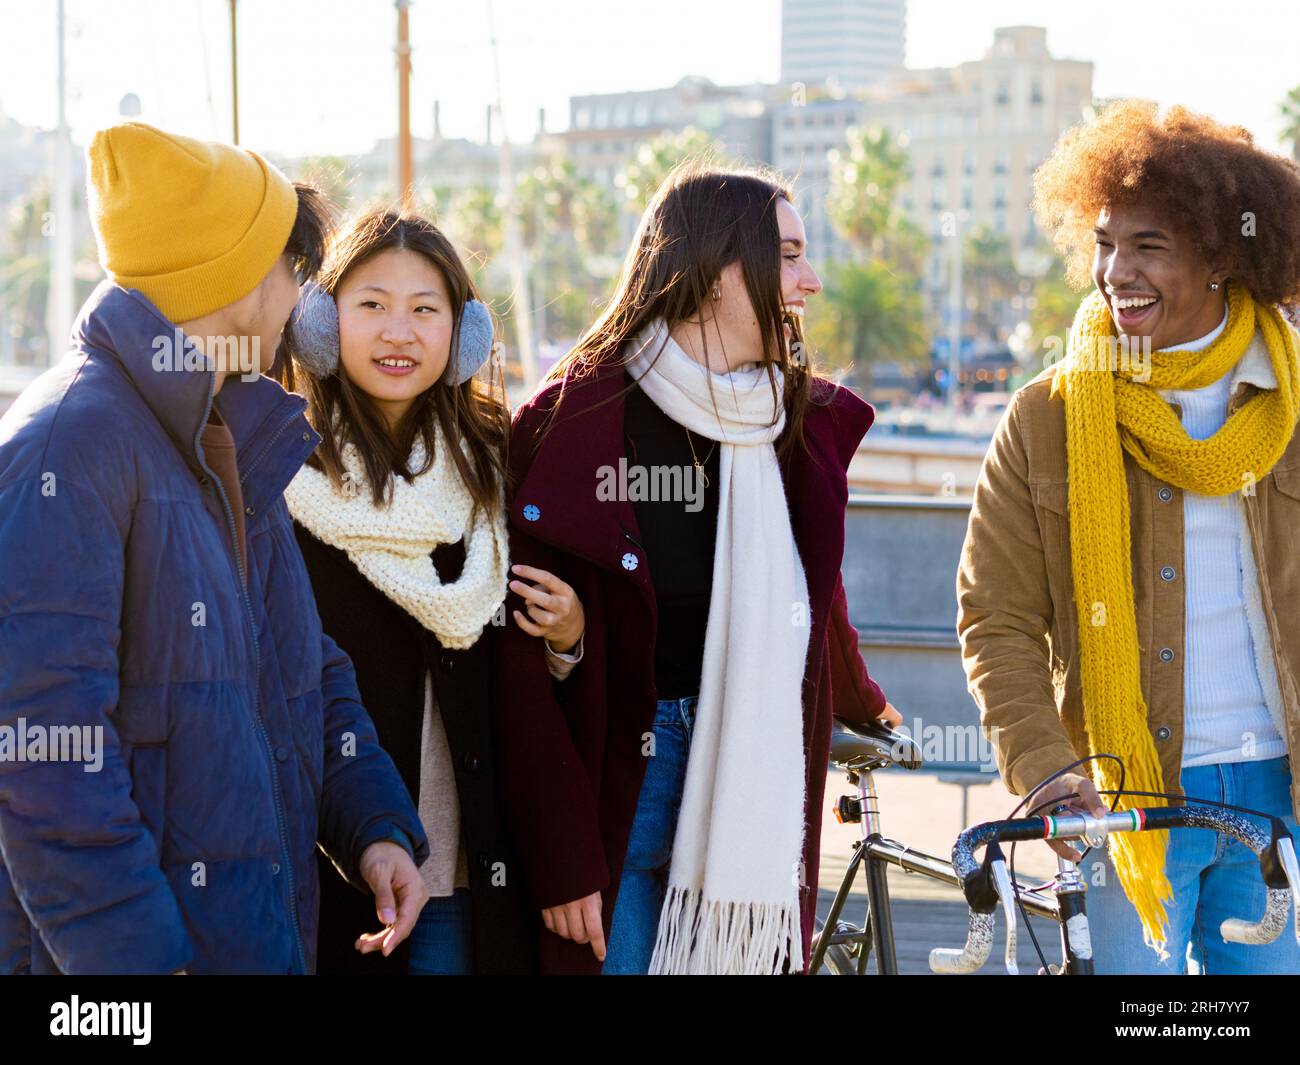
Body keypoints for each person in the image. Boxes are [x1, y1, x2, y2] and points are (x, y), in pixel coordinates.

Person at [0, 123, 428, 975]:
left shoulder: (228, 432)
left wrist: (375, 826)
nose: (298, 298)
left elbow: (302, 664)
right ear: (235, 274)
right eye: (289, 267)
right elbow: (43, 757)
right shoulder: (66, 449)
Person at [492, 163, 900, 975]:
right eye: (787, 255)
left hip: (749, 772)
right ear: (716, 270)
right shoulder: (576, 418)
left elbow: (814, 599)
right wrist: (563, 854)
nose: (810, 282)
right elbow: (512, 656)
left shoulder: (793, 424)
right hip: (624, 773)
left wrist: (869, 703)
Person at [957, 100, 1300, 974]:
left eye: (1149, 245)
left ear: (1223, 255)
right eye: (1106, 243)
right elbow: (995, 619)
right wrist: (1044, 764)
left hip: (1281, 797)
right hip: (1122, 799)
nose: (1117, 271)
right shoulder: (1047, 416)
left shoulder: (1293, 404)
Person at [279, 209, 586, 974]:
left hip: (469, 856)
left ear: (464, 332)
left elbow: (523, 668)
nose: (399, 333)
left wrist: (568, 637)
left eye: (426, 310)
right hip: (339, 855)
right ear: (320, 321)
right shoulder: (284, 471)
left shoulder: (494, 462)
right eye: (372, 305)